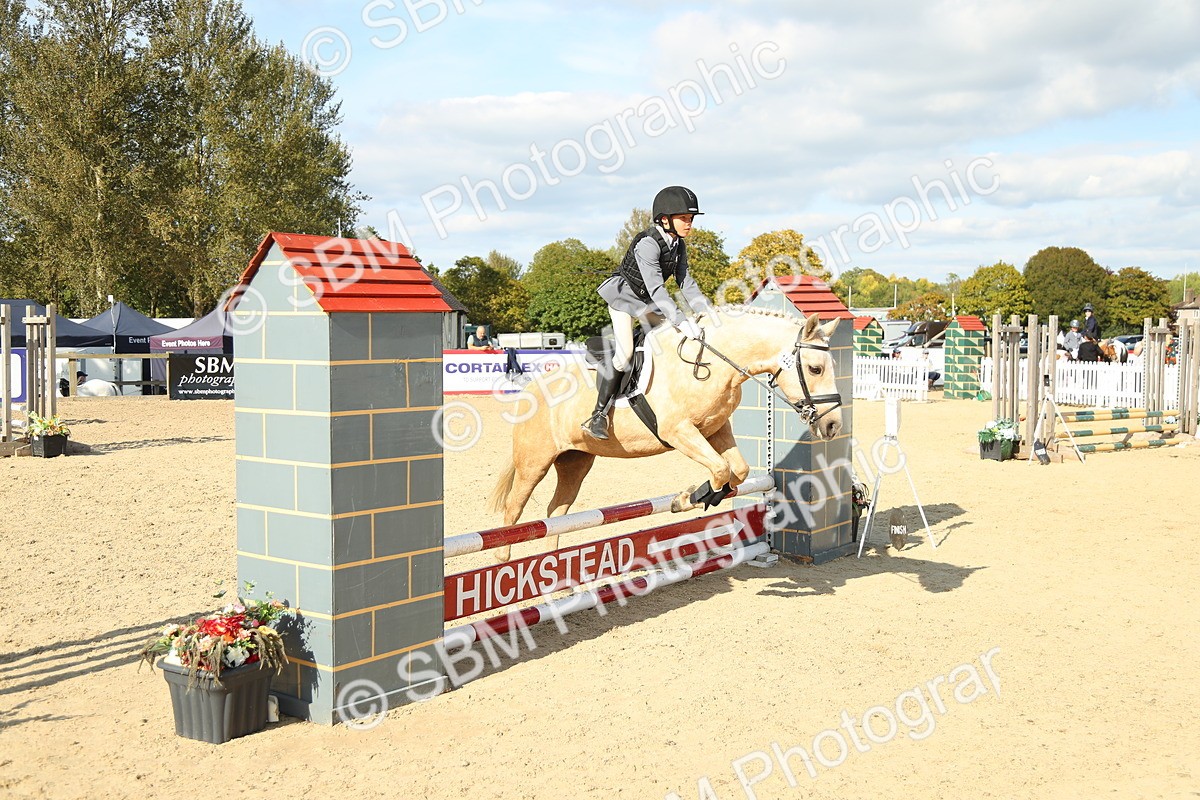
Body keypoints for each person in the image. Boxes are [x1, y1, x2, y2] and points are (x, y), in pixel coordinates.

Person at [582, 186, 715, 439]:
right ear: (665, 219)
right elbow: (657, 289)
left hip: (647, 304)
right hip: (623, 299)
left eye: (691, 219)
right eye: (684, 218)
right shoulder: (647, 244)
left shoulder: (679, 245)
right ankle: (598, 414)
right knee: (625, 355)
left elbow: (685, 282)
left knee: (668, 340)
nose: (690, 224)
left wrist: (707, 313)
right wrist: (681, 320)